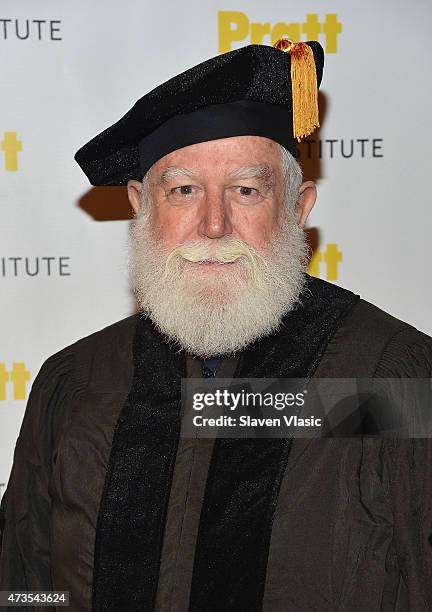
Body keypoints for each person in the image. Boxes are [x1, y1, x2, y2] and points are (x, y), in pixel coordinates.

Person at [1, 39, 432, 612]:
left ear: (298, 209)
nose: (212, 224)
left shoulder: (392, 383)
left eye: (246, 191)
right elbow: (26, 587)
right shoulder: (78, 384)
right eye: (183, 190)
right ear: (139, 204)